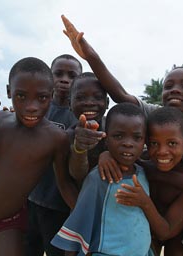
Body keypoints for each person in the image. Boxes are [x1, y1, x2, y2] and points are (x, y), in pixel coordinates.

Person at [61, 15, 183, 255]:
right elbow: (120, 95)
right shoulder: (158, 116)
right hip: (176, 207)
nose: (175, 90)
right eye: (169, 85)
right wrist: (90, 55)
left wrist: (144, 166)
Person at [0, 57, 78, 256]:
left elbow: (64, 183)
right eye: (21, 96)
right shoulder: (0, 121)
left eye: (41, 98)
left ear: (51, 95)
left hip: (11, 224)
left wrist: (86, 215)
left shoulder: (56, 138)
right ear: (9, 92)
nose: (31, 106)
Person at [51, 102, 153, 256]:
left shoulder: (144, 173)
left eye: (137, 137)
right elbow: (79, 222)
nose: (127, 143)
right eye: (118, 136)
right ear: (106, 139)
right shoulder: (98, 178)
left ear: (144, 141)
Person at [115, 106, 183, 255]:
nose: (162, 151)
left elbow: (166, 232)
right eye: (154, 143)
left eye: (172, 143)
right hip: (141, 232)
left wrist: (144, 202)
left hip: (174, 235)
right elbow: (118, 157)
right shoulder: (141, 163)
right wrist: (106, 156)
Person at [25, 54, 82, 256]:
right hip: (29, 199)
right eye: (58, 73)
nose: (64, 79)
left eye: (72, 75)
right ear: (49, 77)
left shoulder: (80, 116)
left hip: (60, 205)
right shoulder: (37, 110)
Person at [66, 72, 109, 185]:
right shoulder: (67, 136)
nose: (89, 103)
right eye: (80, 98)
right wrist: (79, 148)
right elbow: (77, 175)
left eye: (98, 97)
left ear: (107, 103)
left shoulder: (114, 129)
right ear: (69, 104)